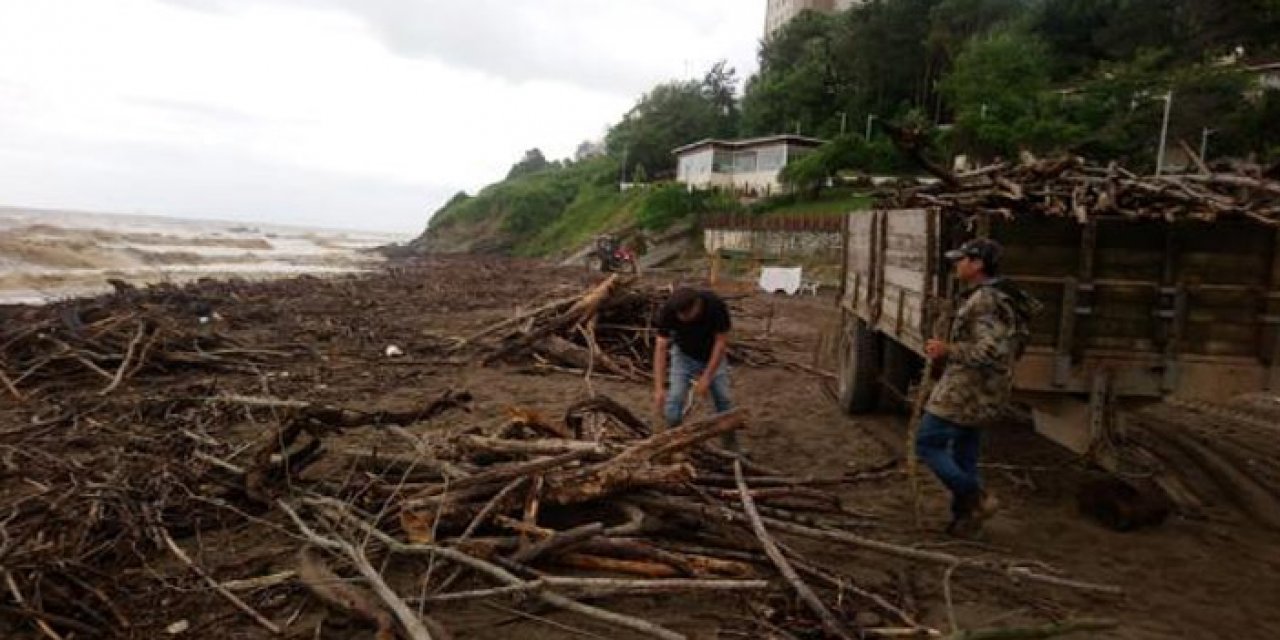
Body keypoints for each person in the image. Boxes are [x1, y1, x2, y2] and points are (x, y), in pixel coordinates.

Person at [917, 238, 1039, 536]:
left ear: (978, 264)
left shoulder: (986, 299)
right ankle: (966, 521)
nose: (956, 265)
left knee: (928, 442)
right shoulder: (1003, 294)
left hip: (969, 388)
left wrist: (948, 349)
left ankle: (976, 496)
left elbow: (989, 351)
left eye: (962, 260)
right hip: (987, 389)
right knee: (964, 452)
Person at [652, 287, 737, 450]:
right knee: (674, 400)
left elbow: (721, 342)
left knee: (723, 398)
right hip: (683, 355)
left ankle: (730, 444)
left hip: (712, 355)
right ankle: (672, 443)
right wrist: (659, 387)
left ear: (697, 305)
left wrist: (707, 377)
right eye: (679, 315)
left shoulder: (715, 305)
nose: (682, 318)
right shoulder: (669, 309)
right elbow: (661, 347)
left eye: (687, 314)